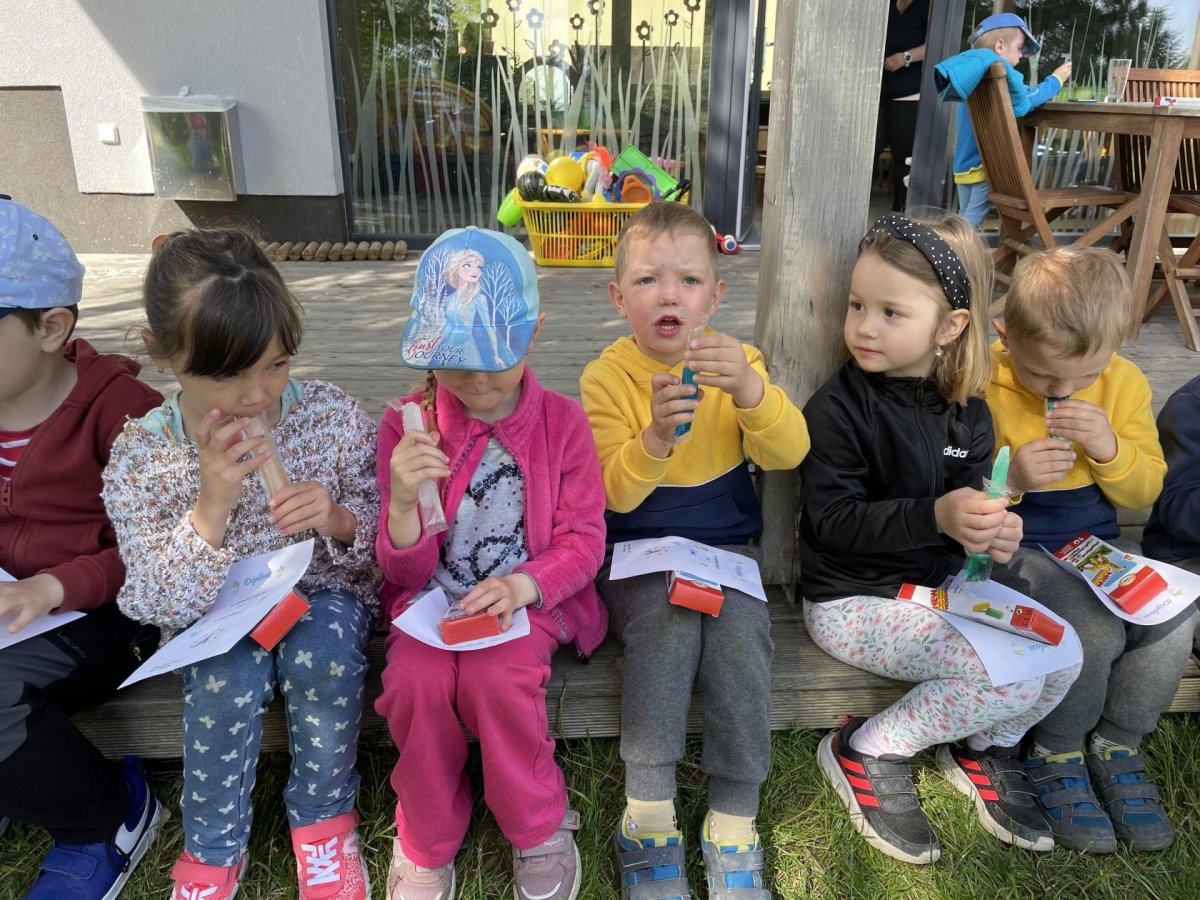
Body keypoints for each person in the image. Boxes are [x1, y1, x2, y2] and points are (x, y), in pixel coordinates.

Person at [101, 229, 380, 900]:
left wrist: (339, 520)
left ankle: (323, 819)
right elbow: (152, 601)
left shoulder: (332, 418)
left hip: (319, 591)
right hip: (215, 613)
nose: (258, 396)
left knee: (325, 654)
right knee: (223, 677)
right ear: (163, 354)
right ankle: (213, 846)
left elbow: (387, 548)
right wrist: (211, 506)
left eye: (276, 365)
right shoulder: (143, 456)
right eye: (228, 374)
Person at [801, 212, 1082, 865]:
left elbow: (970, 515)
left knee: (1064, 651)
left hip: (942, 591)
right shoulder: (837, 409)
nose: (864, 326)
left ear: (949, 327)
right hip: (852, 599)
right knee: (1008, 681)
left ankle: (982, 749)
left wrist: (993, 528)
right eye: (857, 305)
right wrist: (935, 516)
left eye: (890, 312)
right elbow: (833, 522)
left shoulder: (969, 414)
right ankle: (868, 748)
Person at [581, 201, 809, 899]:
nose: (669, 295)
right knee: (668, 623)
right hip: (637, 555)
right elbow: (611, 495)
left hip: (724, 551)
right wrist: (653, 439)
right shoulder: (606, 378)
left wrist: (750, 390)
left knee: (741, 637)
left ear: (715, 296)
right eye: (647, 280)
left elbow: (789, 451)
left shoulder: (737, 364)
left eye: (688, 280)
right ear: (619, 299)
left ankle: (734, 818)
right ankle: (648, 815)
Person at [376, 226, 607, 900]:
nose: (477, 380)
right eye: (457, 361)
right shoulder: (408, 425)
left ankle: (535, 821)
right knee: (414, 685)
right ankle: (426, 835)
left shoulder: (563, 423)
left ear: (533, 335)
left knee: (498, 680)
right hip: (429, 607)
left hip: (526, 603)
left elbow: (583, 541)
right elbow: (402, 574)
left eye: (494, 359)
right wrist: (401, 504)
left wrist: (523, 585)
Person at [984, 247, 1186, 853]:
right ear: (1007, 335)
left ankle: (1119, 740)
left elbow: (1144, 491)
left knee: (1174, 617)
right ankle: (1057, 750)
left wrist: (1110, 450)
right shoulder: (982, 381)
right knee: (1091, 629)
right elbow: (955, 488)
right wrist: (1012, 480)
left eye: (1085, 376)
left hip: (1093, 544)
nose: (1064, 391)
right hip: (1011, 546)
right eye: (1045, 377)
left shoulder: (1124, 383)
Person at [0, 199, 164, 898]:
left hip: (104, 618)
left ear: (51, 327)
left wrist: (52, 587)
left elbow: (158, 548)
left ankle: (104, 814)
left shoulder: (124, 412)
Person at [939, 13, 1071, 227]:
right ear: (1000, 47)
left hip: (963, 163)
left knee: (964, 216)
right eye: (1019, 48)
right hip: (984, 164)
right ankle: (953, 247)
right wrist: (1056, 80)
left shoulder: (973, 75)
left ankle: (954, 244)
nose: (1021, 56)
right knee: (970, 222)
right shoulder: (999, 73)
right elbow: (1027, 99)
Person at [876, 0, 929, 212]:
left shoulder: (926, 6)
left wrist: (905, 57)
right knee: (868, 152)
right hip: (878, 93)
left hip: (910, 95)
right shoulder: (886, 6)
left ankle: (902, 217)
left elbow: (936, 43)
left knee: (902, 160)